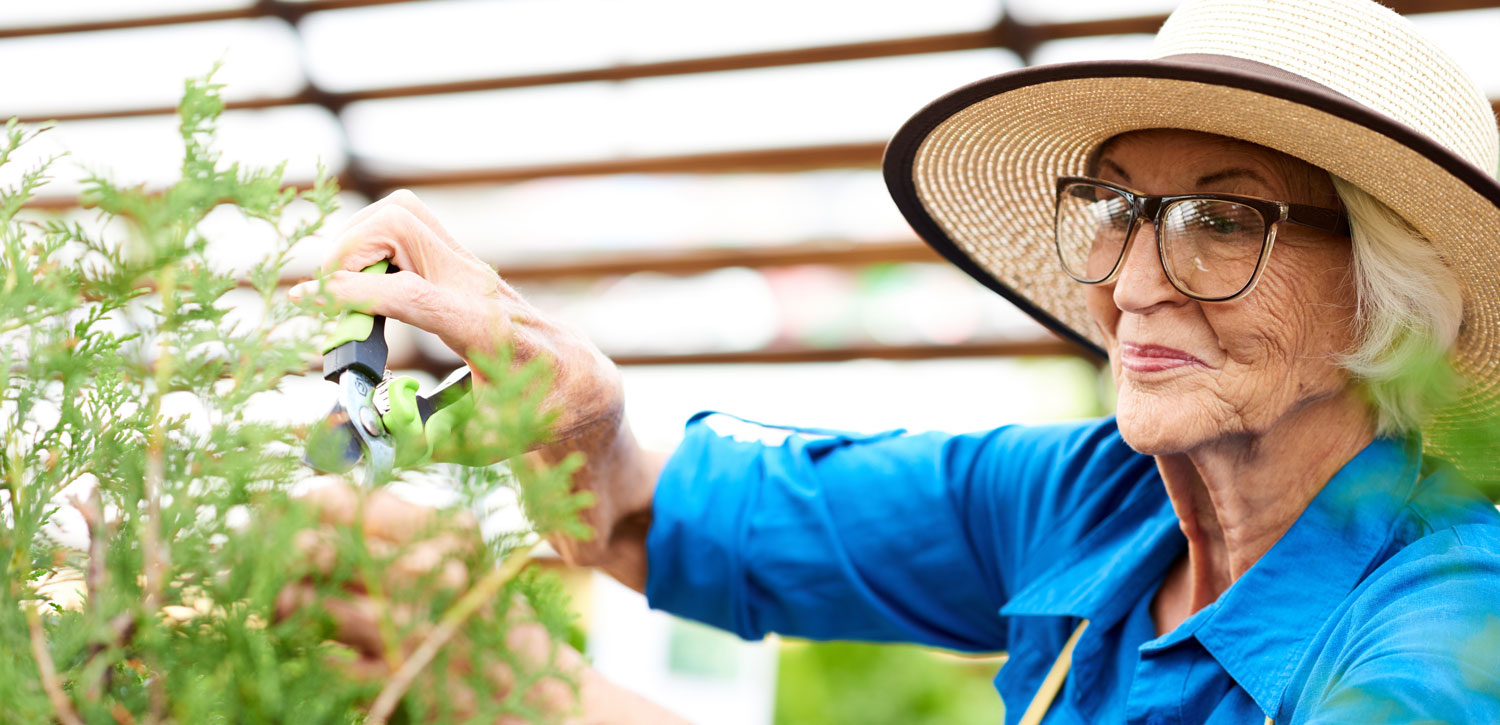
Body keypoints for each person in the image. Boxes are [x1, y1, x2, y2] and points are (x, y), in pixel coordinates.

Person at [287, 0, 1500, 721]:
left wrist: (526, 688)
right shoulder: (1093, 502)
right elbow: (656, 519)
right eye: (1118, 207)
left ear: (1384, 301)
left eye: (1223, 221)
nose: (1132, 285)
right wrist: (585, 428)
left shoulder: (1452, 627)